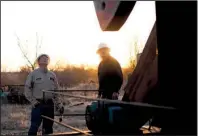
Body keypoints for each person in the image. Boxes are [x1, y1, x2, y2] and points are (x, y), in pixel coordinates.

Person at [24, 54, 64, 135]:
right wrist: (33, 101)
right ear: (38, 61)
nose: (45, 59)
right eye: (43, 58)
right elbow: (27, 89)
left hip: (49, 104)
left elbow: (56, 91)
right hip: (38, 104)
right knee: (34, 127)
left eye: (47, 58)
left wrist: (59, 104)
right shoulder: (33, 74)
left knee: (48, 129)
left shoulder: (52, 75)